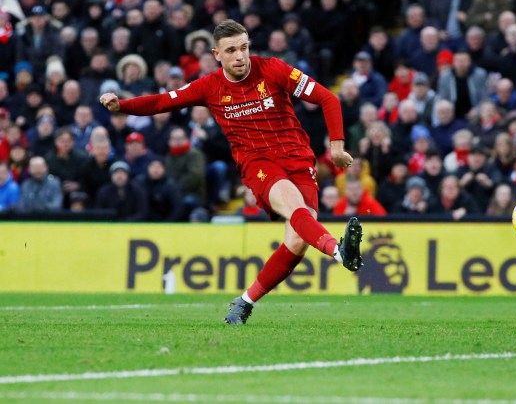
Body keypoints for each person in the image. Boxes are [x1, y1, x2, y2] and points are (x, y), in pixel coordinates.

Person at [100, 19, 364, 325]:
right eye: (231, 50)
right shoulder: (209, 86)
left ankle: (244, 302)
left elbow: (327, 98)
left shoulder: (274, 69)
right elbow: (162, 101)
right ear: (217, 54)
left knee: (297, 241)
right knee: (296, 208)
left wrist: (336, 147)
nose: (240, 56)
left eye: (244, 48)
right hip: (258, 163)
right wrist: (122, 106)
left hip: (298, 158)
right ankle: (340, 252)